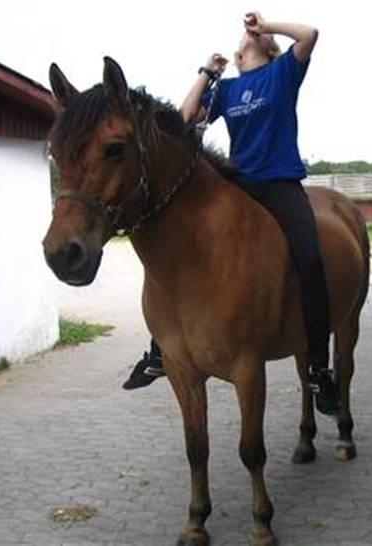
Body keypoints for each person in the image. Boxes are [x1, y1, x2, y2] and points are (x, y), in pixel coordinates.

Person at [123, 12, 338, 416]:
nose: (243, 38)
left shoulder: (282, 73)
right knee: (183, 248)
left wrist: (267, 24)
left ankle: (318, 368)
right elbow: (183, 121)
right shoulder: (230, 88)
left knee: (309, 257)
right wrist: (206, 73)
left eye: (251, 36)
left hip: (279, 182)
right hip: (238, 184)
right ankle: (159, 351)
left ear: (268, 46)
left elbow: (311, 34)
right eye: (243, 36)